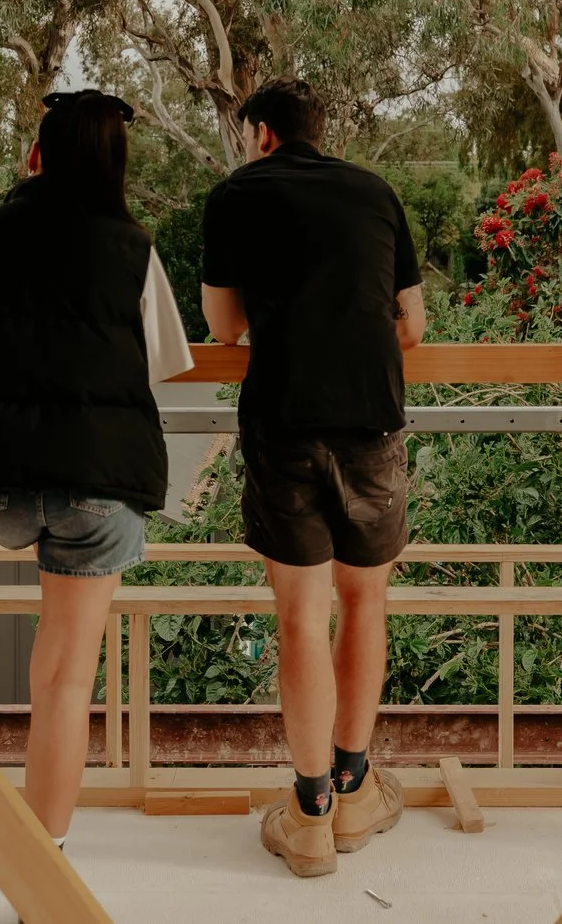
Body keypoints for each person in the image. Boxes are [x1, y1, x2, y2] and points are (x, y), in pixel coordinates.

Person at [0, 89, 193, 844]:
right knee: (63, 679)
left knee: (38, 601)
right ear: (115, 164)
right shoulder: (135, 246)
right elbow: (166, 361)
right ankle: (45, 862)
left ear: (36, 156)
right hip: (95, 483)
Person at [199, 79, 426, 879]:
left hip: (284, 422)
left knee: (300, 617)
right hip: (371, 418)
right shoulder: (374, 191)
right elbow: (415, 324)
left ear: (261, 133)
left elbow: (224, 327)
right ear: (317, 131)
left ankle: (309, 814)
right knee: (364, 602)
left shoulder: (235, 194)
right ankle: (357, 786)